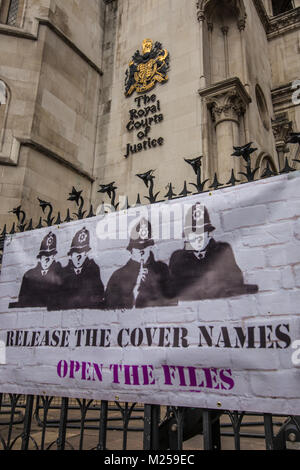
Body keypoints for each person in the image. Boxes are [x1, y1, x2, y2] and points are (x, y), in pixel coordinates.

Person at [169, 204, 258, 301]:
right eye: (192, 234)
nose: (197, 238)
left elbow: (236, 281)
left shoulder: (222, 250)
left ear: (208, 234)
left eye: (201, 233)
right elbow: (171, 290)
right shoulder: (178, 258)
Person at [105, 218, 176, 309]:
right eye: (137, 248)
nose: (141, 251)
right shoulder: (118, 276)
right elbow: (109, 308)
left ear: (150, 247)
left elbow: (171, 303)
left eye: (145, 247)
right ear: (131, 250)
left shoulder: (162, 270)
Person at [9, 232, 63, 309]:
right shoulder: (29, 274)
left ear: (53, 257)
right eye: (44, 256)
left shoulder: (60, 274)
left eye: (50, 256)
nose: (47, 260)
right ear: (39, 258)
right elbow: (22, 300)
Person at [55, 227, 105, 310]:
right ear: (70, 255)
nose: (78, 258)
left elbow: (99, 295)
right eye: (75, 254)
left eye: (82, 253)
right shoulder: (64, 273)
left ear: (86, 255)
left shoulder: (93, 270)